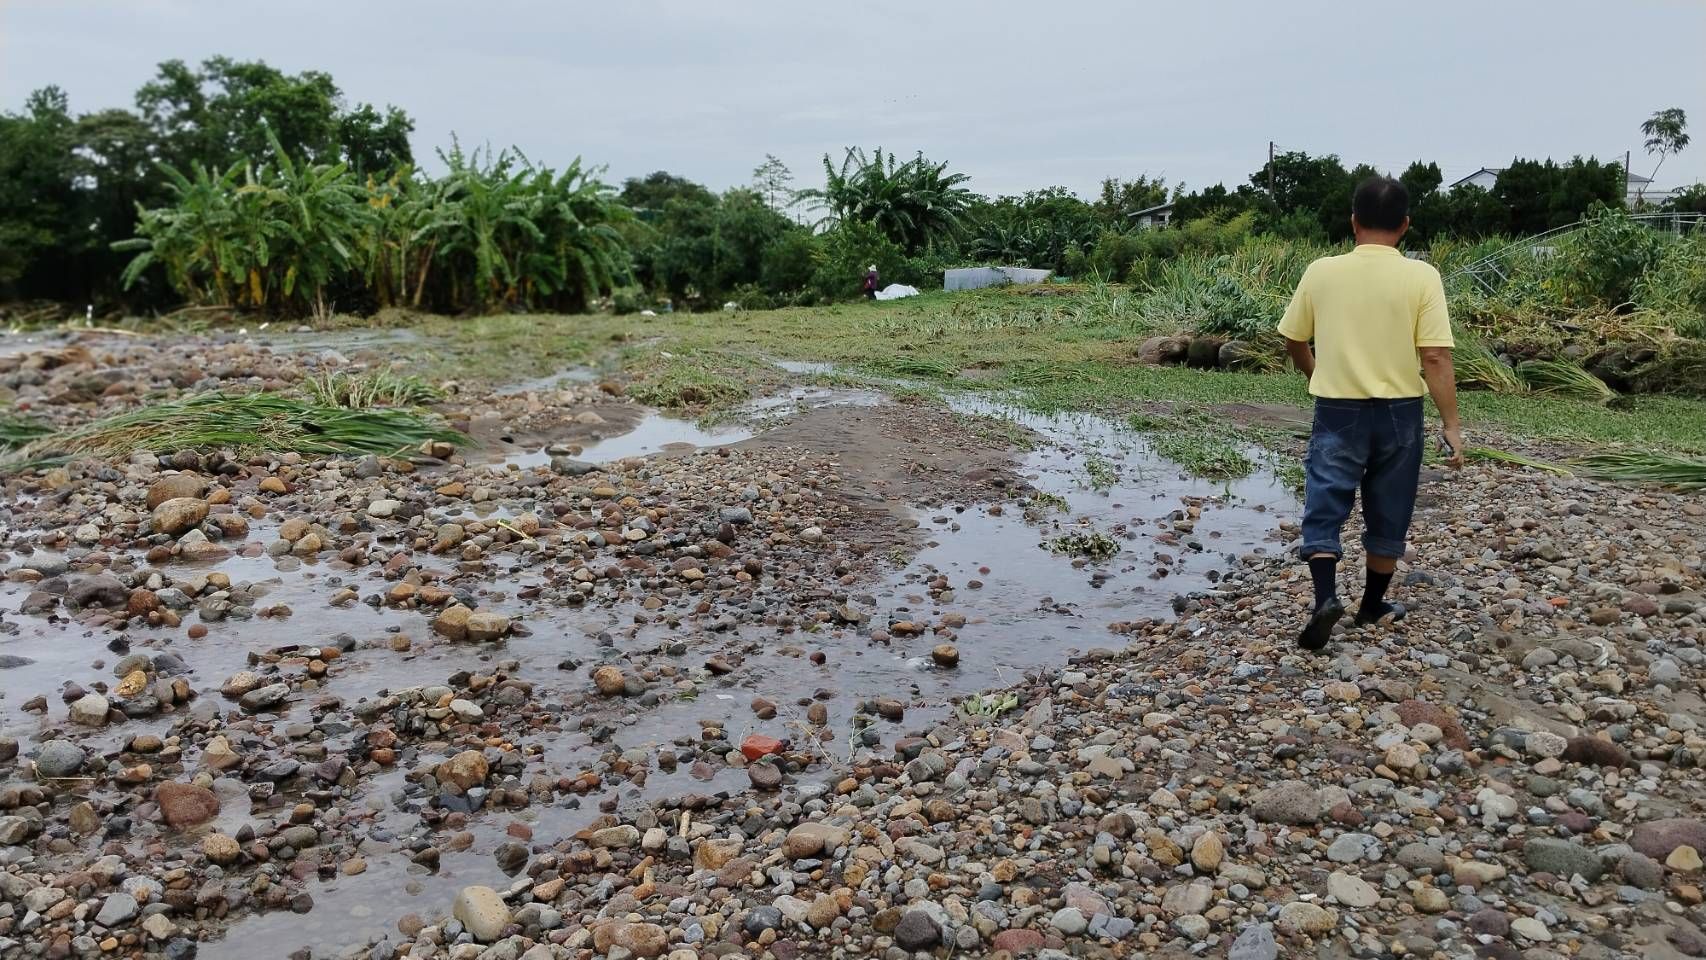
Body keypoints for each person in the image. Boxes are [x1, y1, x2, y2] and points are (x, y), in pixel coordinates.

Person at [1277, 175, 1464, 652]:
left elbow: (1293, 339)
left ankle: (1325, 597)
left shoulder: (1322, 271)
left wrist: (1316, 373)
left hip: (1338, 408)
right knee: (1390, 508)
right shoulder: (1422, 277)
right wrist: (1451, 425)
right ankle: (1372, 606)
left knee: (1325, 502)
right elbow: (1437, 357)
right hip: (1401, 412)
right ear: (1405, 225)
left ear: (1353, 222)